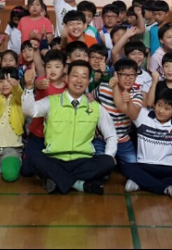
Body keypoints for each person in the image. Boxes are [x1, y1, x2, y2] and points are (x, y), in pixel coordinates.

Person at [22, 61, 118, 195]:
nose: (79, 80)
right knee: (34, 157)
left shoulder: (95, 107)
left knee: (108, 161)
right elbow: (29, 110)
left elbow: (111, 135)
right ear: (67, 78)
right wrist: (28, 87)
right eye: (75, 75)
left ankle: (58, 179)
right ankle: (79, 184)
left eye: (84, 76)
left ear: (88, 81)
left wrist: (109, 154)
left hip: (83, 161)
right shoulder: (52, 101)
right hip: (55, 159)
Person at [20, 50, 67, 178]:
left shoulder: (68, 87)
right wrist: (37, 84)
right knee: (26, 170)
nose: (52, 70)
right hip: (38, 133)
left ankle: (47, 173)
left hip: (57, 136)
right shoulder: (43, 80)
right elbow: (38, 84)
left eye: (57, 66)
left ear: (64, 69)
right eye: (49, 66)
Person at [95, 59, 143, 165]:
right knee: (100, 166)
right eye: (124, 74)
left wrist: (129, 101)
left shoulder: (136, 94)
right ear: (116, 74)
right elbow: (89, 99)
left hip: (123, 139)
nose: (128, 78)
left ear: (136, 76)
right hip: (101, 138)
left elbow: (134, 115)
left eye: (132, 75)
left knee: (133, 166)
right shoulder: (103, 88)